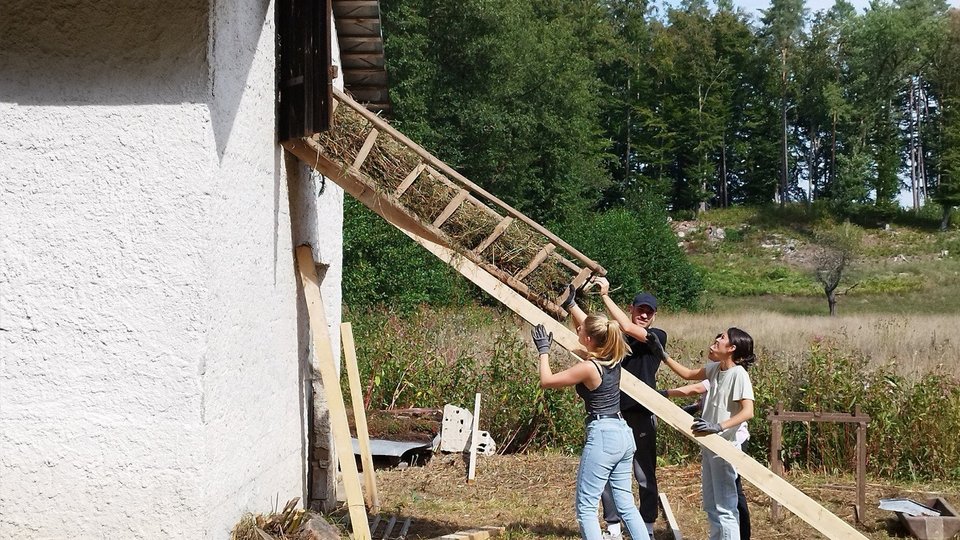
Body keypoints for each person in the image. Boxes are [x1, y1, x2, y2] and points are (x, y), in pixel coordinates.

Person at [561, 278, 666, 540]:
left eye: (648, 312)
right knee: (609, 475)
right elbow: (592, 333)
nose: (644, 315)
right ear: (631, 308)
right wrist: (572, 305)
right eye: (640, 309)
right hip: (614, 414)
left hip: (640, 412)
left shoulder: (657, 337)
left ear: (654, 316)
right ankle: (613, 526)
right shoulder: (615, 338)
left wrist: (604, 295)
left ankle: (648, 525)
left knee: (644, 472)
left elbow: (629, 328)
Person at [530, 316, 647, 540]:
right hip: (623, 433)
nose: (578, 328)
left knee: (586, 508)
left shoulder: (589, 368)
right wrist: (573, 307)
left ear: (590, 338)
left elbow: (547, 381)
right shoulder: (614, 357)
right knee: (626, 506)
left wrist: (543, 350)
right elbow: (595, 330)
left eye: (581, 329)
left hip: (604, 435)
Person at [652, 329, 756, 540]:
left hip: (725, 448)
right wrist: (663, 355)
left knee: (726, 508)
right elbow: (688, 374)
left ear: (732, 348)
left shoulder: (738, 374)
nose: (717, 339)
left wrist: (719, 426)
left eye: (723, 338)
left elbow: (748, 412)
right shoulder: (716, 369)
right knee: (711, 505)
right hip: (710, 445)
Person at [664, 379, 752, 540]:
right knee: (722, 498)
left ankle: (742, 534)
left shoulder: (728, 373)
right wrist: (698, 406)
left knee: (731, 497)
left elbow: (696, 387)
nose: (710, 352)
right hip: (717, 442)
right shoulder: (718, 372)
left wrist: (666, 393)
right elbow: (712, 397)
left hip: (732, 441)